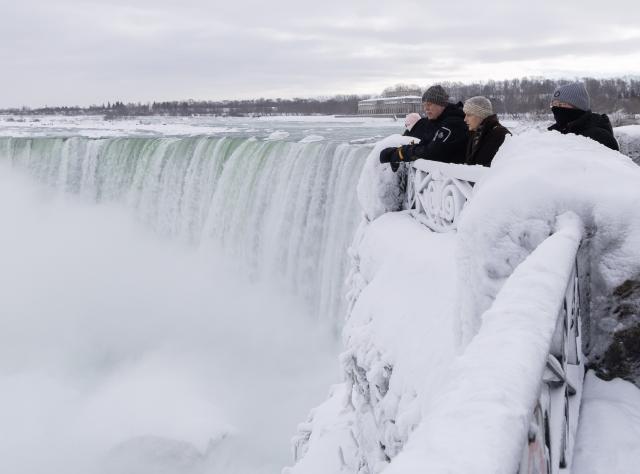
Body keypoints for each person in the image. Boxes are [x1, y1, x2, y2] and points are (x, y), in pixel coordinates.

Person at [379, 85, 468, 168]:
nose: (425, 109)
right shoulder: (437, 122)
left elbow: (431, 153)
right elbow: (423, 145)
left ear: (441, 104)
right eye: (424, 105)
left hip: (456, 179)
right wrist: (399, 151)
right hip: (444, 178)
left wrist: (399, 154)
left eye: (429, 104)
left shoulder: (453, 123)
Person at [548, 82, 619, 151]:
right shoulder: (555, 130)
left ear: (578, 106)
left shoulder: (599, 137)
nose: (556, 108)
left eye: (561, 105)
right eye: (554, 104)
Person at [463, 96, 511, 167]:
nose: (465, 119)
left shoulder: (500, 134)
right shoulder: (476, 133)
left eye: (469, 115)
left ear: (481, 115)